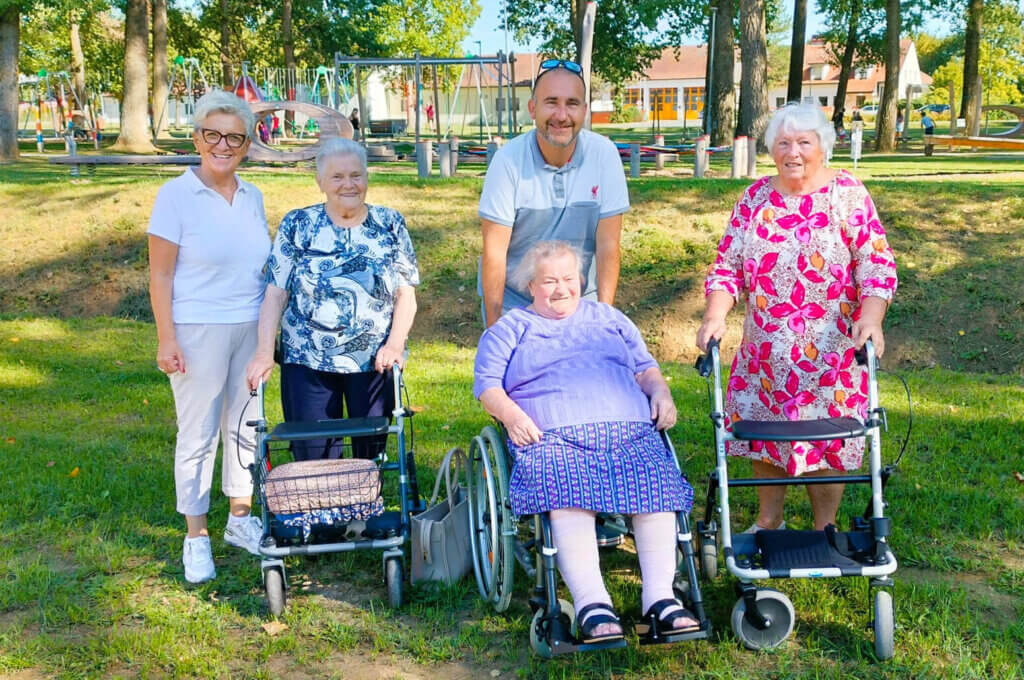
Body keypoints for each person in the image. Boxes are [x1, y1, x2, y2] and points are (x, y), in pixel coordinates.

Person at [474, 240, 698, 643]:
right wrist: (512, 416)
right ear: (530, 286)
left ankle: (660, 601)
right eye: (548, 281)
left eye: (568, 278)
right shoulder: (510, 328)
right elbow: (487, 387)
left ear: (581, 280)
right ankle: (592, 603)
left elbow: (645, 368)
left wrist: (661, 392)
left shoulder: (608, 318)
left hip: (628, 429)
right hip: (552, 436)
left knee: (657, 488)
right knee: (566, 492)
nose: (561, 288)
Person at [696, 102, 897, 533]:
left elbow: (876, 263)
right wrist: (715, 316)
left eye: (804, 142)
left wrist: (872, 316)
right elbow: (727, 266)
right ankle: (770, 520)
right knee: (764, 435)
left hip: (832, 355)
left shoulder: (847, 194)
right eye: (783, 143)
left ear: (822, 146)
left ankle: (825, 525)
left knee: (831, 435)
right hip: (767, 355)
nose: (793, 152)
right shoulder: (754, 198)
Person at [148, 90, 270, 584]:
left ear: (246, 144)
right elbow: (159, 276)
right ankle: (196, 538)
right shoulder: (175, 195)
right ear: (197, 137)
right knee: (198, 434)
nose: (223, 145)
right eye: (213, 134)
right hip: (197, 329)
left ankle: (239, 521)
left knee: (246, 425)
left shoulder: (253, 195)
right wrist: (166, 339)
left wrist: (266, 337)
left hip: (250, 327)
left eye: (234, 137)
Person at [246, 137, 419, 461]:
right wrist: (264, 352)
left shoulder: (389, 224)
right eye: (337, 177)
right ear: (320, 181)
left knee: (372, 454)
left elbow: (406, 294)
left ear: (367, 177)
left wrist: (395, 345)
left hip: (374, 359)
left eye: (356, 175)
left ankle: (363, 506)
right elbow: (275, 293)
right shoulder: (298, 224)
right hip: (307, 357)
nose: (348, 184)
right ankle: (323, 509)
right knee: (314, 456)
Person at [478, 59, 629, 329]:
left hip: (582, 302)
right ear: (533, 109)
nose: (561, 115)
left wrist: (604, 319)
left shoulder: (604, 155)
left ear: (585, 110)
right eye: (551, 102)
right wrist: (494, 331)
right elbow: (494, 253)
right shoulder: (507, 162)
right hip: (519, 306)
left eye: (571, 103)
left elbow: (608, 247)